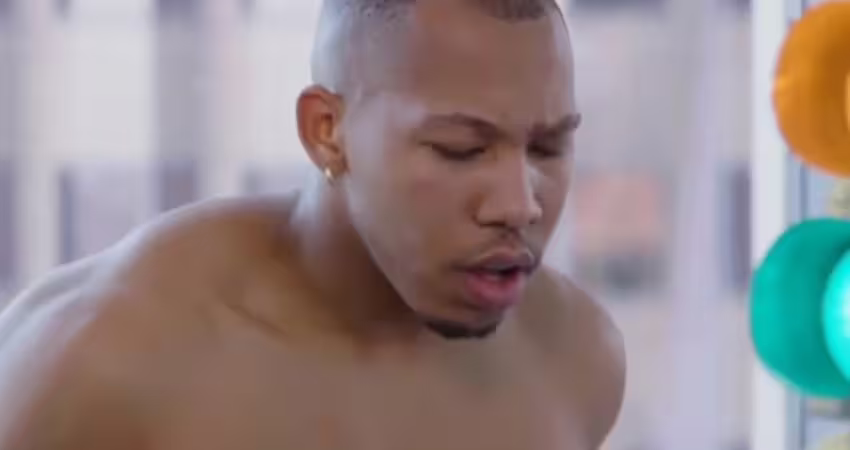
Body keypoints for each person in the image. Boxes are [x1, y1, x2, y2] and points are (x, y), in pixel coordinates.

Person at [0, 0, 626, 448]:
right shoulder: (100, 363)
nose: (518, 205)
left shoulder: (578, 360)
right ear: (327, 132)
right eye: (461, 150)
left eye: (548, 148)